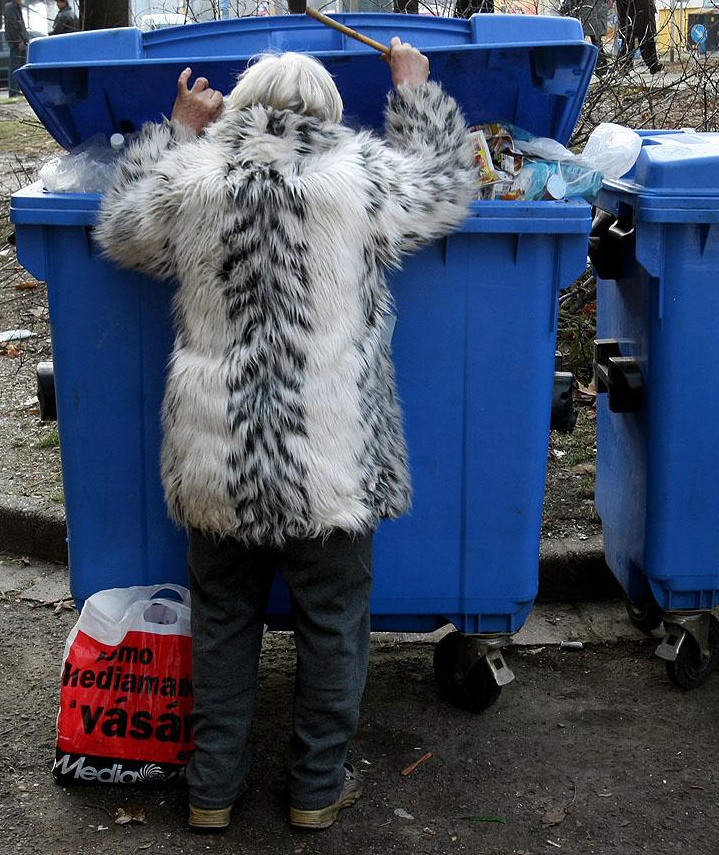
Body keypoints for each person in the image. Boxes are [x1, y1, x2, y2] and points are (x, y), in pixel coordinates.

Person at [93, 43, 475, 833]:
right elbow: (447, 186)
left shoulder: (193, 177)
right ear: (329, 110)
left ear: (237, 105)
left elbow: (122, 231)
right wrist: (414, 92)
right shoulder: (360, 175)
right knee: (334, 619)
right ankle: (314, 786)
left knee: (224, 615)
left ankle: (211, 789)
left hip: (216, 452)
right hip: (328, 452)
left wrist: (175, 128)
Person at [3, 0, 29, 97]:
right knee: (15, 67)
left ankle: (17, 90)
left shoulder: (17, 7)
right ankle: (13, 91)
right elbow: (13, 26)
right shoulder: (10, 7)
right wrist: (19, 41)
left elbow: (21, 26)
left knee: (20, 67)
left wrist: (25, 38)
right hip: (16, 42)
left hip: (21, 41)